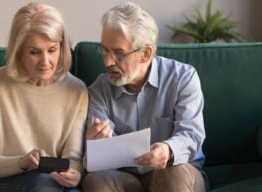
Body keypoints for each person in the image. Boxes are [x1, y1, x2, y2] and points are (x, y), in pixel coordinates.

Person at [81, 2, 207, 192]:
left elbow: (191, 134)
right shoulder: (99, 90)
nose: (107, 61)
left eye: (118, 53)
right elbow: (97, 159)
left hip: (175, 170)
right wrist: (93, 146)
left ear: (145, 54)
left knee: (174, 175)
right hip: (125, 177)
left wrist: (168, 149)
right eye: (105, 50)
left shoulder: (183, 78)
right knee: (97, 181)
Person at [0, 2, 88, 191]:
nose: (45, 62)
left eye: (52, 50)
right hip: (4, 179)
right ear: (19, 52)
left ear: (62, 47)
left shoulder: (77, 90)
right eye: (34, 52)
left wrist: (74, 175)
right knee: (45, 185)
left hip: (51, 182)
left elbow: (73, 159)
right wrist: (22, 161)